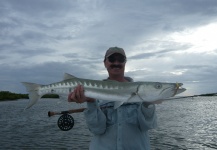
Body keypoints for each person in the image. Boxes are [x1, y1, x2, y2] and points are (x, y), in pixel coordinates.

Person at [68, 47, 157, 150]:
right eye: (112, 59)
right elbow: (97, 129)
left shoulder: (141, 91)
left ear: (125, 63)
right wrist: (91, 102)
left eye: (120, 59)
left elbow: (147, 126)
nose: (116, 63)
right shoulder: (94, 92)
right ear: (105, 63)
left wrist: (148, 104)